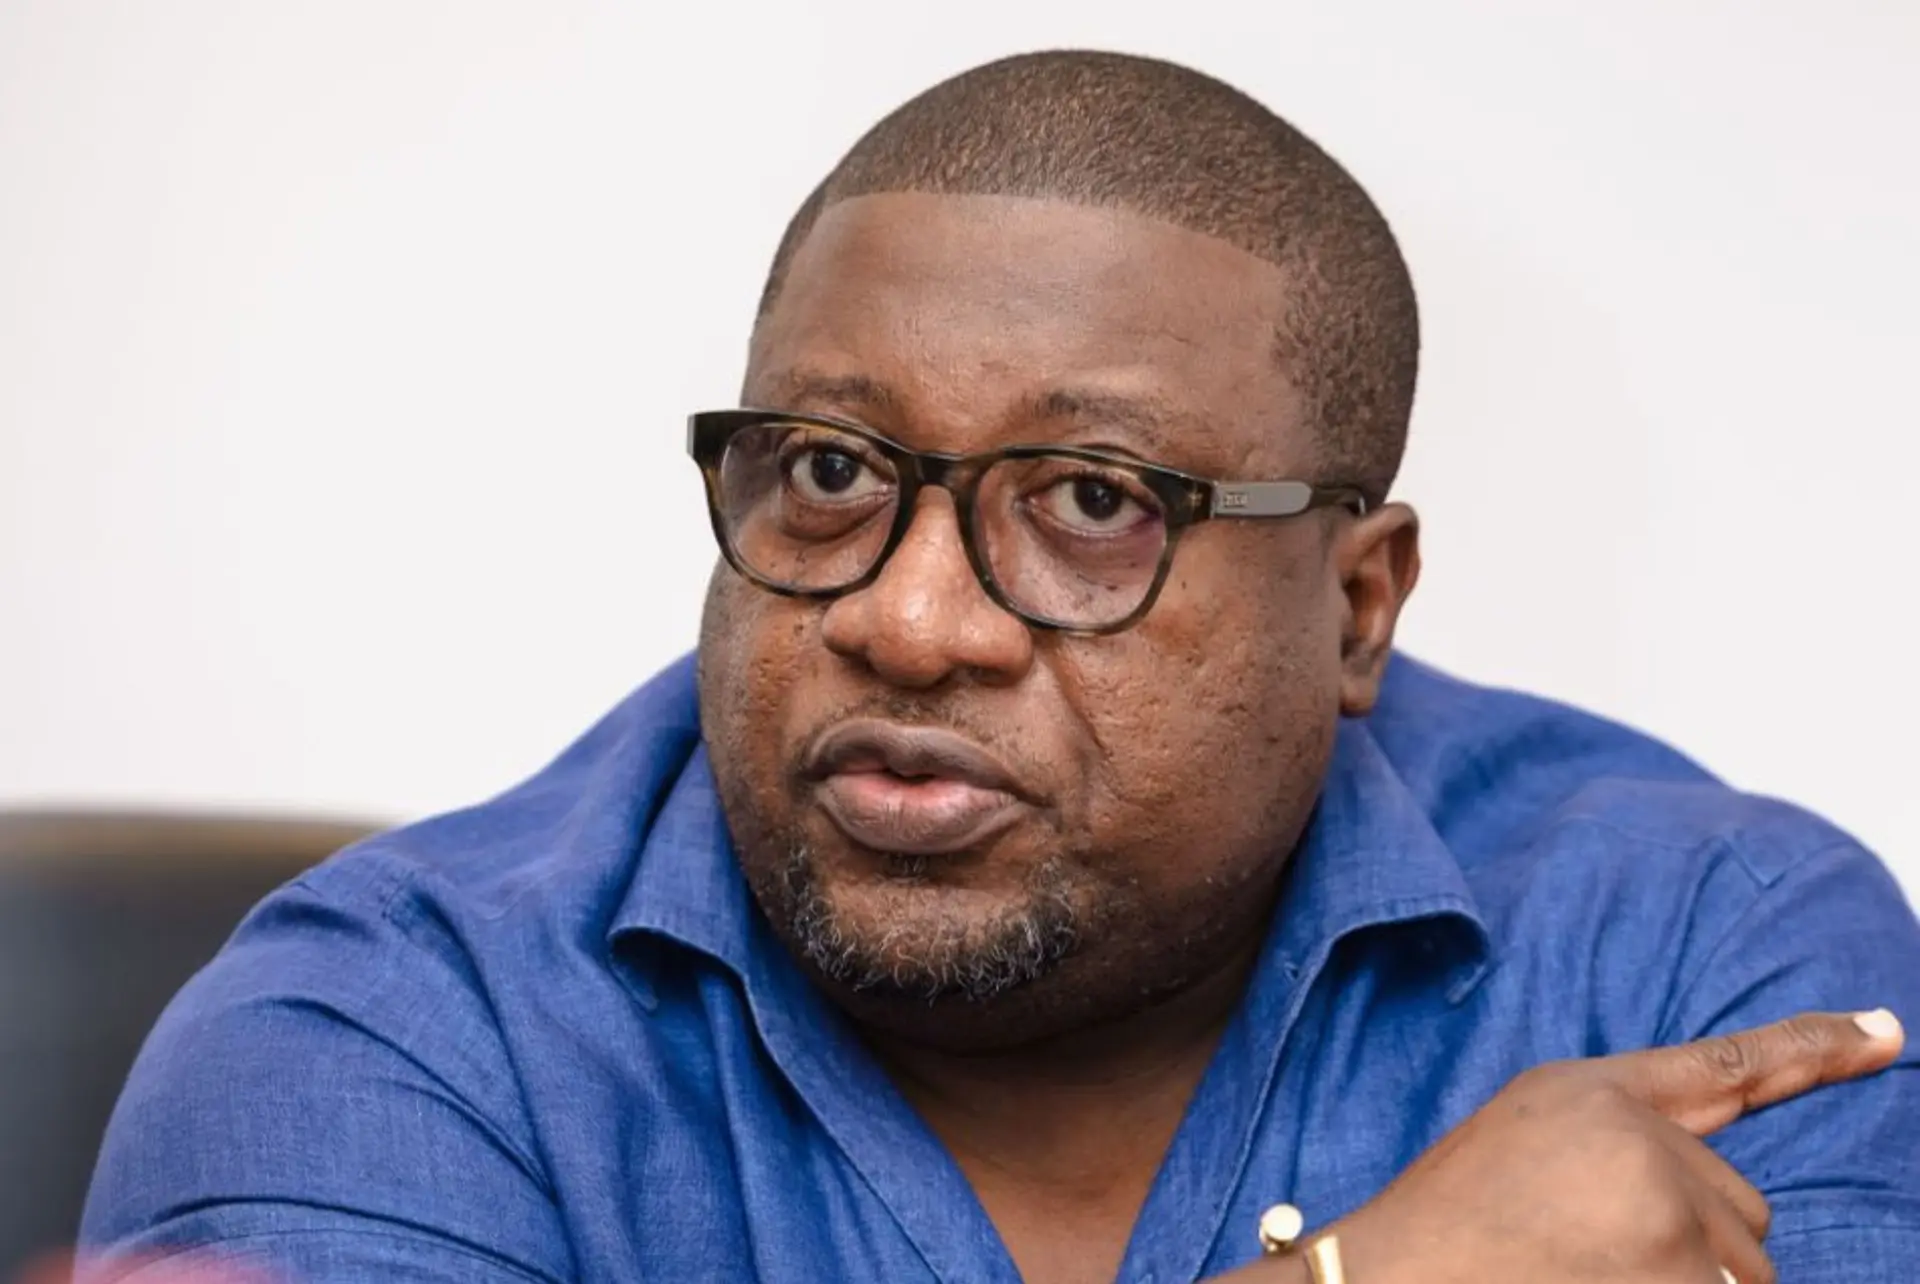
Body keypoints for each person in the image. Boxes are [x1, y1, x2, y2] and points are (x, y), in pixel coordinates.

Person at [76, 49, 1918, 1284]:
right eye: (827, 472)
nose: (911, 621)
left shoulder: (1704, 958)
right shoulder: (386, 1038)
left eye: (1095, 501)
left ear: (1358, 608)